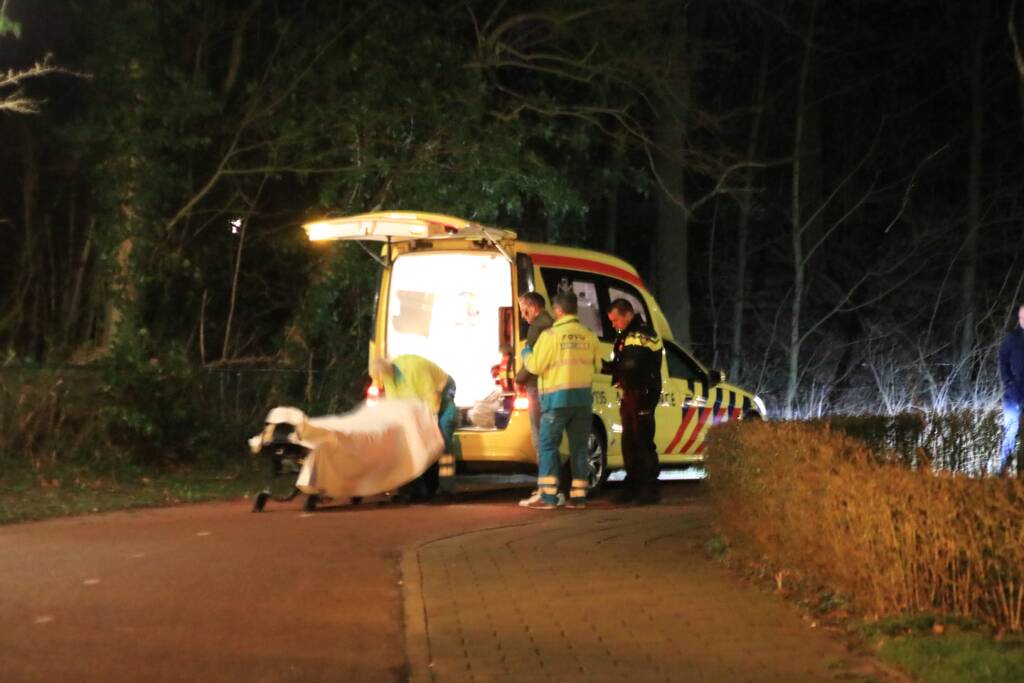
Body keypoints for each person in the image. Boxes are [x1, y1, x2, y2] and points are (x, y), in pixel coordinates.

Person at [521, 291, 602, 509]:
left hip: (556, 401)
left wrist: (526, 353)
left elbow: (535, 366)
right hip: (582, 401)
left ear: (558, 311)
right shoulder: (589, 335)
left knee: (548, 446)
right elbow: (598, 366)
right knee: (579, 449)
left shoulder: (550, 336)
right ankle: (578, 497)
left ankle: (549, 497)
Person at [370, 355, 460, 499]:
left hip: (442, 391)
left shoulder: (414, 370)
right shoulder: (388, 377)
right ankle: (420, 489)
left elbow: (433, 397)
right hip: (423, 401)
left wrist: (428, 425)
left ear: (388, 370)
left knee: (443, 440)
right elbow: (397, 406)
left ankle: (447, 489)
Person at [603, 298, 664, 504]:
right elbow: (624, 363)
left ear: (627, 315)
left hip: (643, 392)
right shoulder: (628, 334)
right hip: (632, 393)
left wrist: (609, 368)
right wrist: (605, 366)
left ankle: (649, 489)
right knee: (629, 440)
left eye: (615, 320)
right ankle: (633, 486)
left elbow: (631, 364)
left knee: (642, 440)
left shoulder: (640, 334)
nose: (613, 325)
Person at [514, 292, 555, 491]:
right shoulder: (552, 324)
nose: (523, 316)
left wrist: (518, 379)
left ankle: (546, 485)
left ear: (533, 307)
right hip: (551, 386)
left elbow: (532, 362)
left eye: (524, 310)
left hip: (536, 386)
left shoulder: (538, 327)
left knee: (539, 436)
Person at [997, 303, 1024, 477]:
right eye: (1022, 317)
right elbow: (1002, 360)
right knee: (1010, 432)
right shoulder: (1012, 338)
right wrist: (1008, 382)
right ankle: (1003, 472)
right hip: (1014, 394)